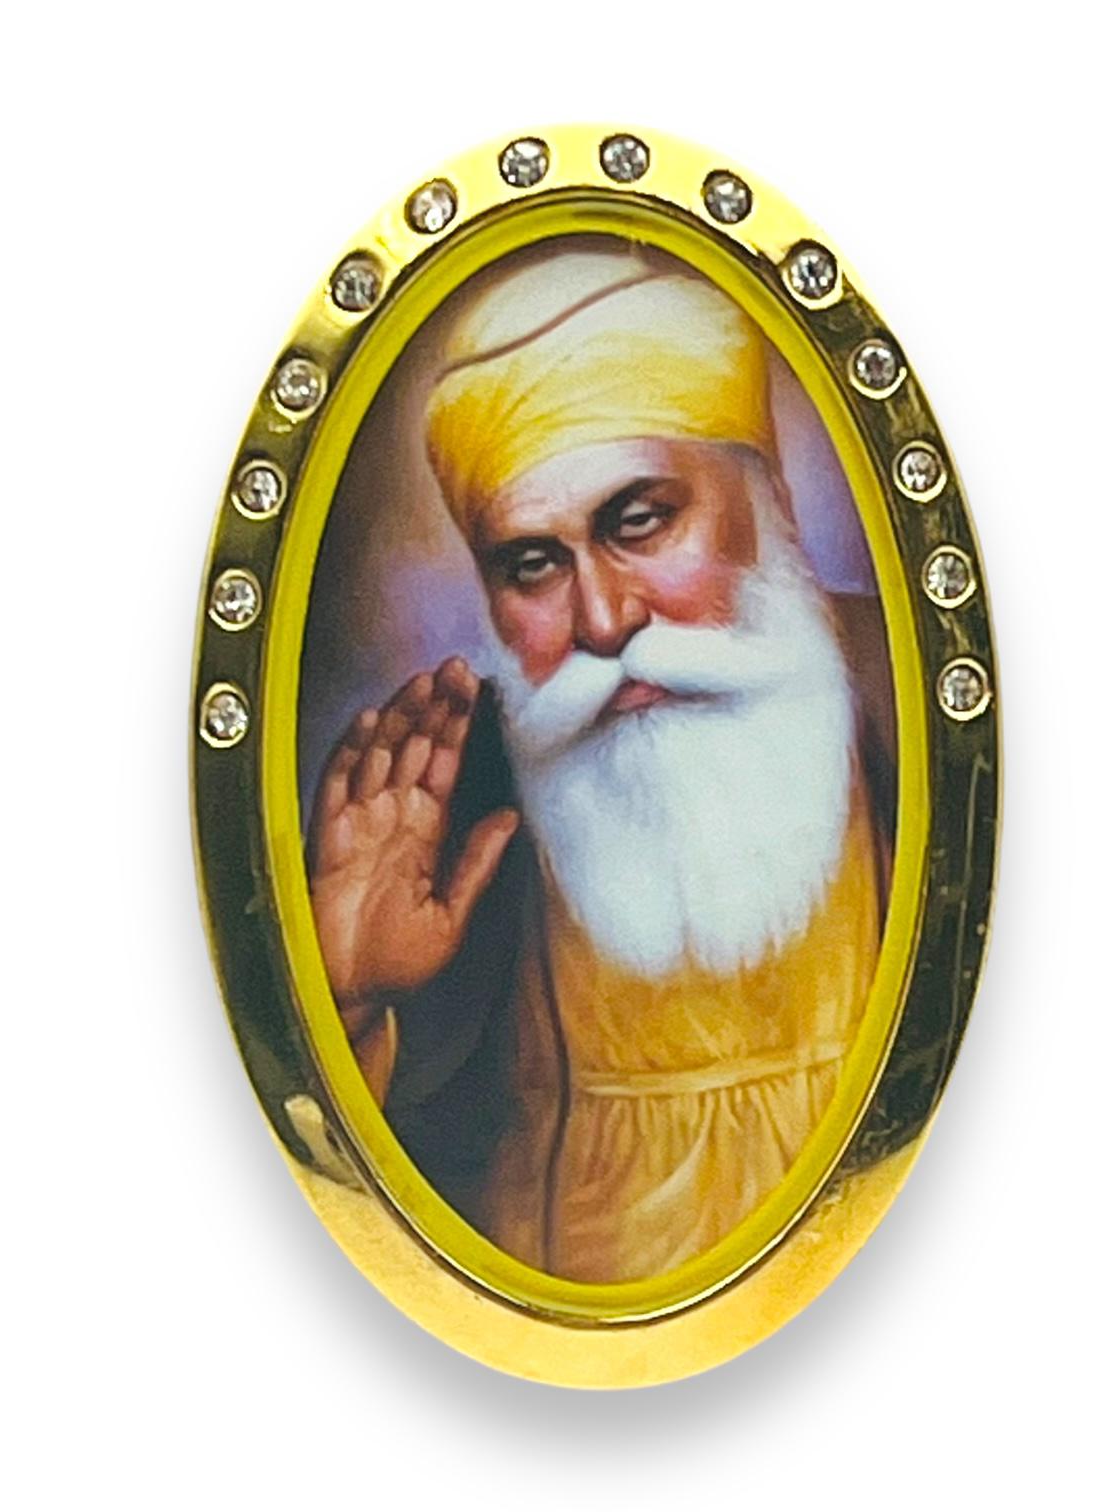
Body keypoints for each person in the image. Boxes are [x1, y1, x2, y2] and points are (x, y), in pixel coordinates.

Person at [306, 246, 894, 1283]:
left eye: (640, 521)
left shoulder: (895, 691)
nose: (606, 619)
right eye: (534, 564)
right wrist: (344, 1005)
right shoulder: (454, 803)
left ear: (769, 500)